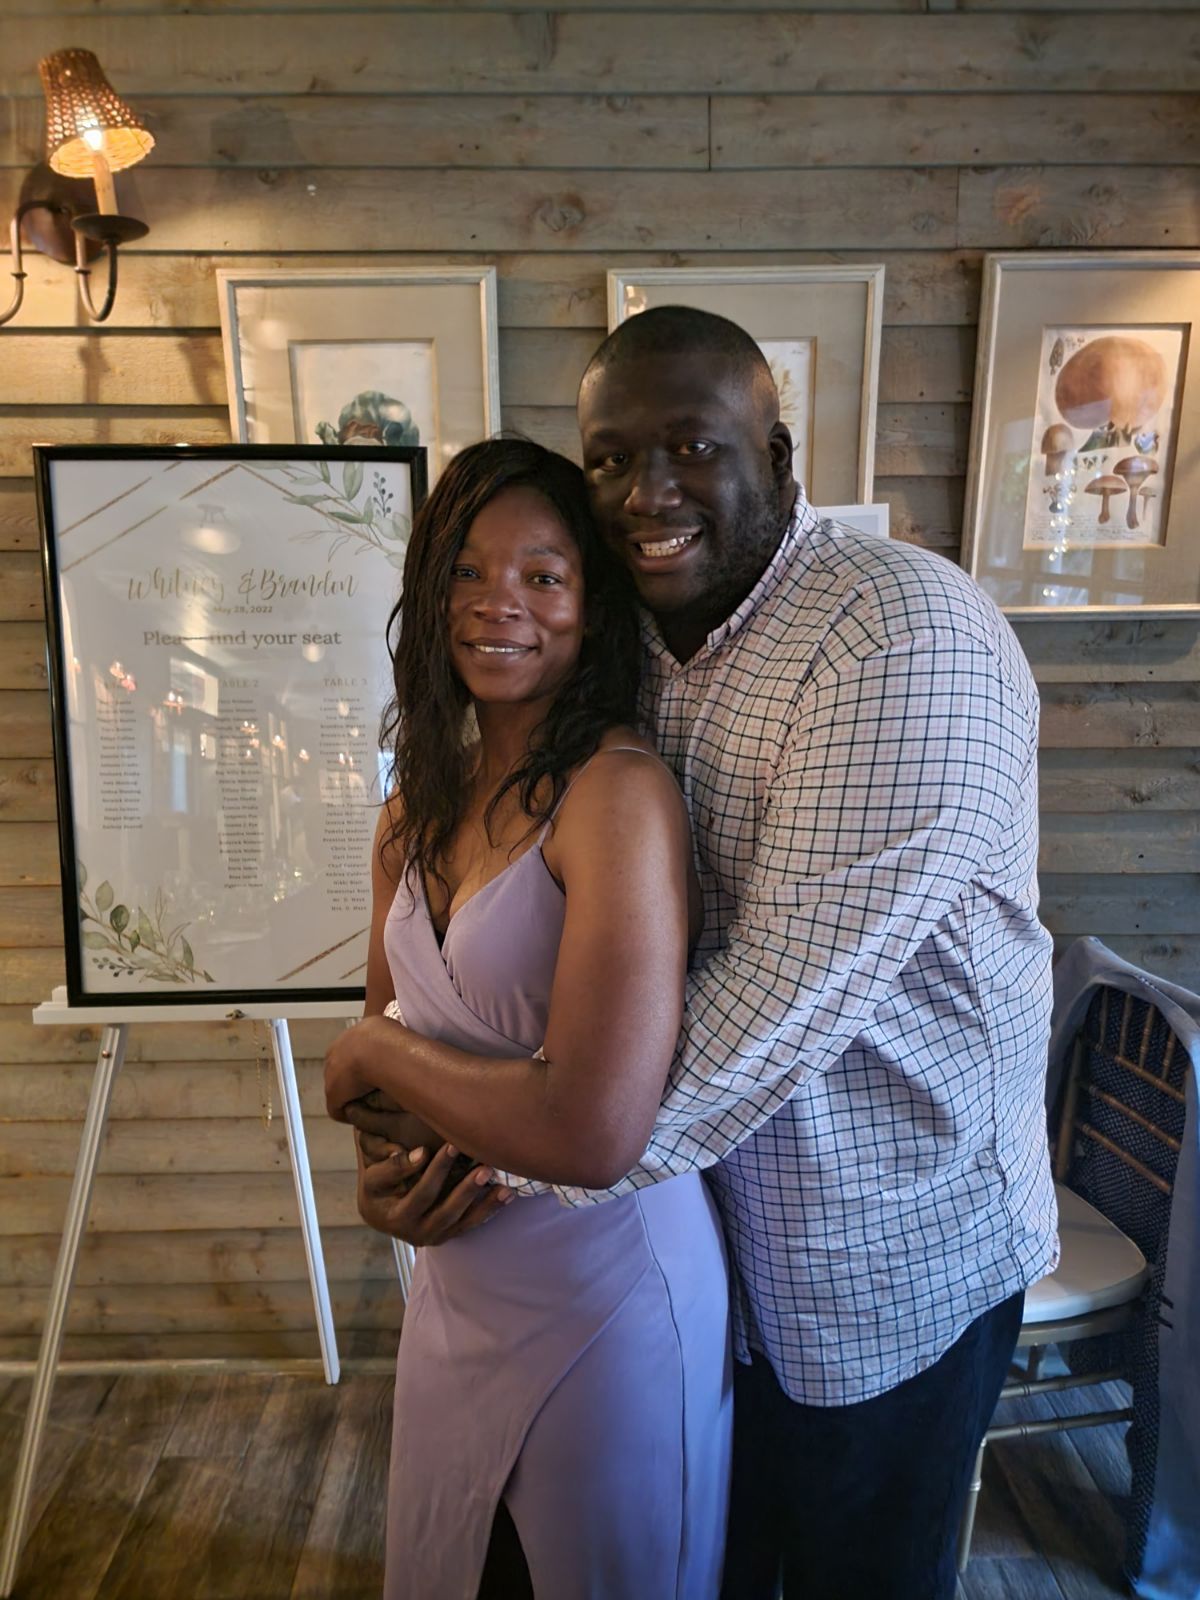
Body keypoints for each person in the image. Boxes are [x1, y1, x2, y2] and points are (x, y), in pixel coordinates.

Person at [340, 306, 1060, 1600]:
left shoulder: (899, 639)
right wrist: (417, 1164)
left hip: (881, 1258)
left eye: (692, 447)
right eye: (611, 458)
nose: (645, 490)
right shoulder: (647, 641)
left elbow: (749, 1020)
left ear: (782, 459)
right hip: (703, 1248)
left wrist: (450, 1125)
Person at [323, 435, 731, 1600]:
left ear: (589, 609)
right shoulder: (412, 814)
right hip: (457, 1285)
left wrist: (369, 1050)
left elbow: (591, 1130)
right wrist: (380, 1181)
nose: (500, 601)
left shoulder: (618, 797)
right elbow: (380, 1100)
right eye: (468, 570)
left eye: (544, 576)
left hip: (607, 1295)